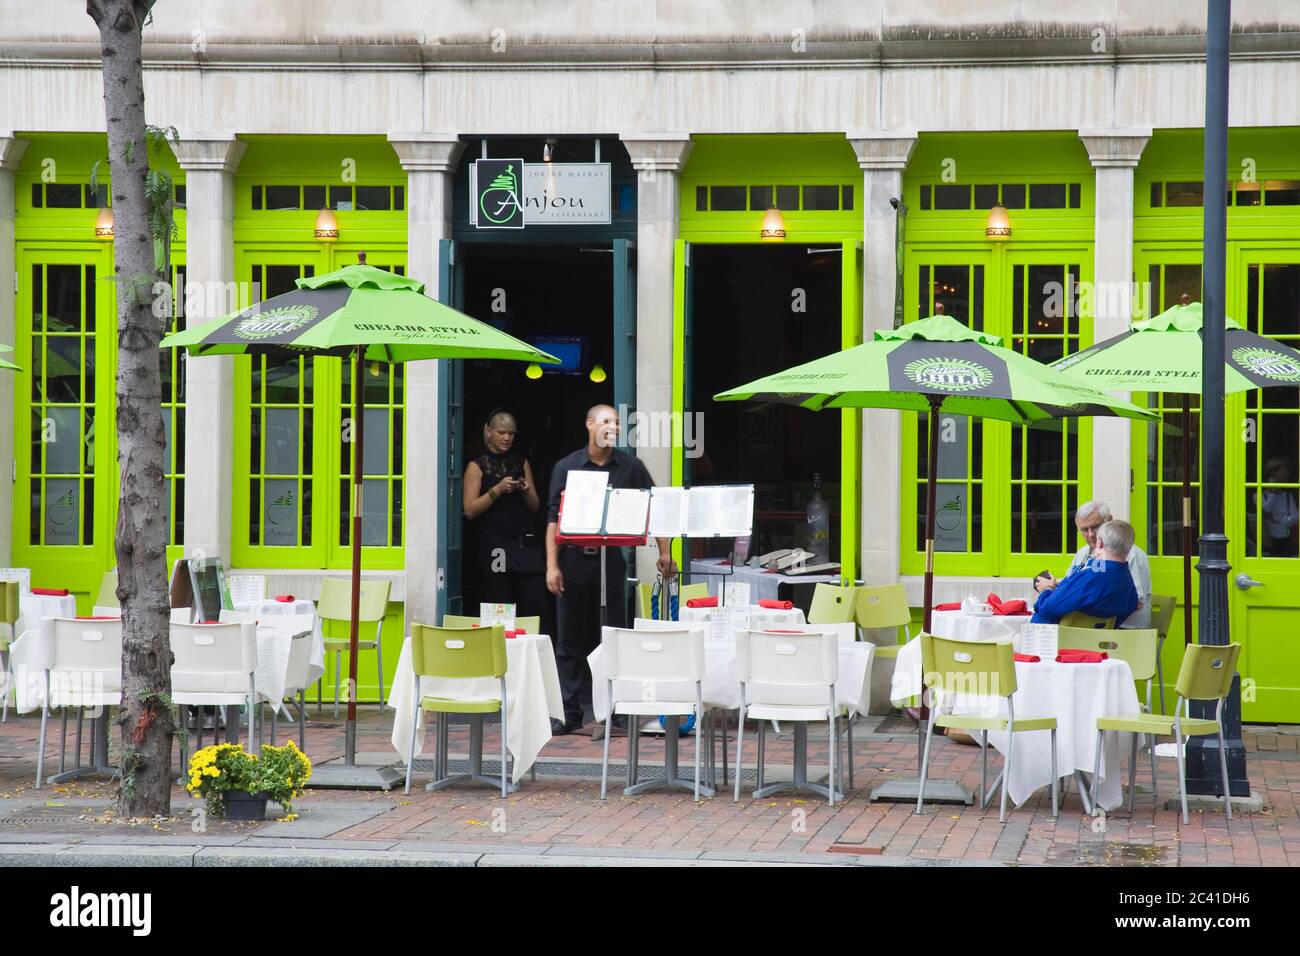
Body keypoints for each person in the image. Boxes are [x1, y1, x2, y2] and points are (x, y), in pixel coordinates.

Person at [546, 404, 677, 735]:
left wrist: (664, 552)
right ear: (589, 424)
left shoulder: (631, 467)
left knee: (616, 634)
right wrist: (552, 565)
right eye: (605, 421)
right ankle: (570, 711)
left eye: (616, 422)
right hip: (574, 559)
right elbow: (552, 519)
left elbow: (655, 506)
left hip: (611, 560)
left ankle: (616, 709)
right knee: (569, 639)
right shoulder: (567, 467)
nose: (612, 426)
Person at [463, 409, 549, 632]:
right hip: (496, 545)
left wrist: (526, 490)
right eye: (501, 432)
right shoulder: (477, 465)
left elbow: (535, 506)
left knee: (535, 600)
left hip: (524, 543)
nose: (507, 438)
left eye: (511, 434)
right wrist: (497, 490)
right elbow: (470, 510)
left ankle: (532, 649)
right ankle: (500, 655)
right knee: (500, 601)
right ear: (488, 432)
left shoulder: (521, 462)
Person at [1034, 500, 1152, 628]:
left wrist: (1048, 590)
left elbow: (1137, 601)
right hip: (1083, 632)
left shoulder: (1126, 553)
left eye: (1096, 527)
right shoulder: (1083, 553)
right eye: (1084, 529)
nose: (1090, 534)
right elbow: (1081, 586)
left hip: (1121, 632)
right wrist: (1057, 585)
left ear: (1110, 522)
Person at [1262, 456, 1299, 557]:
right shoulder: (1260, 495)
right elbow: (1266, 509)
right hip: (1268, 544)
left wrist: (1284, 521)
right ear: (1274, 473)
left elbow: (1296, 516)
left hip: (1286, 541)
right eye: (1285, 470)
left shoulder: (1287, 496)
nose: (1288, 473)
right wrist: (1273, 493)